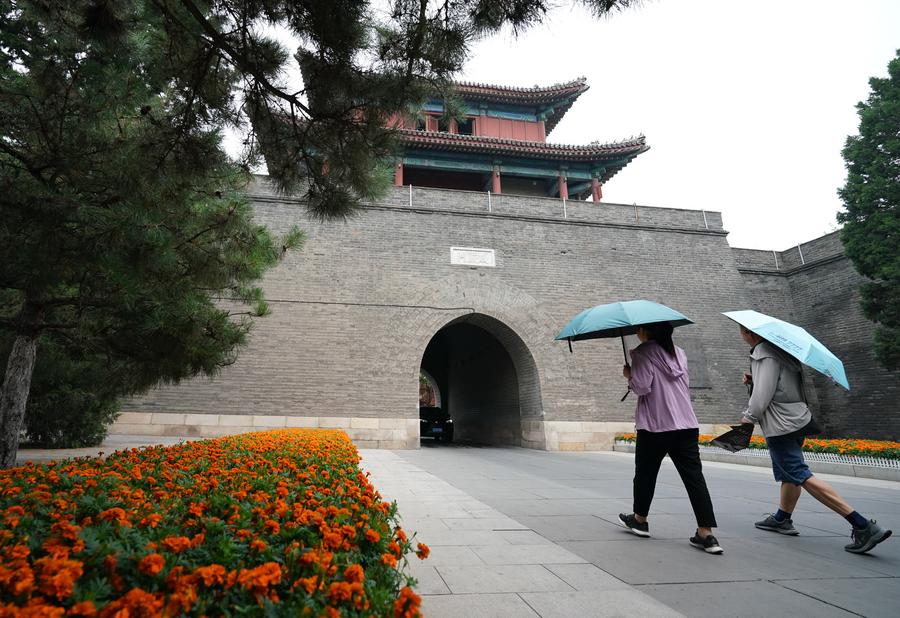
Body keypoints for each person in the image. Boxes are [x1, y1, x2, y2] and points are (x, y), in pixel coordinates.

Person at [737, 325, 892, 554]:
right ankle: (782, 518)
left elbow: (764, 395)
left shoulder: (764, 354)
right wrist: (755, 381)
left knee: (798, 473)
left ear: (750, 333)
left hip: (781, 424)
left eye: (742, 331)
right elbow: (783, 388)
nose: (741, 335)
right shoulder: (784, 352)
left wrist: (748, 416)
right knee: (789, 474)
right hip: (797, 419)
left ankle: (862, 525)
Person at [618, 321, 723, 554]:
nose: (637, 332)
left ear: (647, 331)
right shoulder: (680, 353)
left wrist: (630, 375)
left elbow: (643, 387)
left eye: (639, 328)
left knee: (645, 474)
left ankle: (640, 519)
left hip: (656, 425)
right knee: (695, 479)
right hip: (686, 423)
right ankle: (706, 533)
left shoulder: (643, 352)